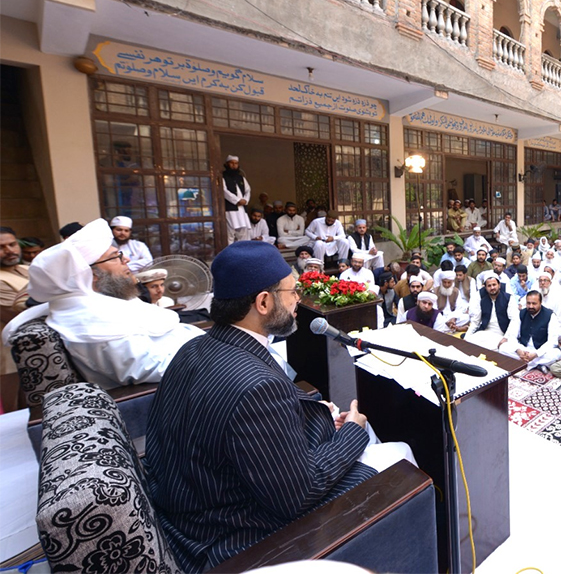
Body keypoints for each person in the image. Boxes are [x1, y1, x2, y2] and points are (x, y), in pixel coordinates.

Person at [145, 240, 412, 572]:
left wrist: (314, 418)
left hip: (189, 509)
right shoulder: (258, 386)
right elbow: (298, 495)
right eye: (292, 291)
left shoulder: (194, 348)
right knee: (398, 457)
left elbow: (240, 436)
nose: (298, 299)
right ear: (263, 302)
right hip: (225, 539)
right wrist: (352, 433)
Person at [1, 219, 203, 389]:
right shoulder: (89, 322)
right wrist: (219, 354)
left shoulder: (101, 304)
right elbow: (153, 369)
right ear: (89, 274)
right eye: (116, 258)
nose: (127, 261)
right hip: (189, 389)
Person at [498, 290, 557, 370]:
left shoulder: (550, 315)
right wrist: (519, 351)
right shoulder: (521, 313)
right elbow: (512, 336)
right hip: (523, 348)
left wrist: (536, 354)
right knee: (503, 347)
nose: (531, 306)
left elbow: (552, 341)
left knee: (555, 354)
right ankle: (537, 364)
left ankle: (524, 363)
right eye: (528, 303)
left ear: (540, 302)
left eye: (534, 303)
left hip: (540, 350)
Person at [466, 272, 517, 350]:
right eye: (489, 286)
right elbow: (475, 321)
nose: (492, 287)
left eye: (494, 285)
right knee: (469, 343)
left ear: (499, 285)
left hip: (502, 334)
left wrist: (506, 338)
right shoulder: (482, 300)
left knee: (502, 349)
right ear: (485, 287)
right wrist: (467, 337)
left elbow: (514, 320)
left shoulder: (508, 298)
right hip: (484, 332)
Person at [0, 226, 30, 326]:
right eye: (1, 247)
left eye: (12, 244)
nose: (10, 251)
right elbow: (23, 315)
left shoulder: (28, 268)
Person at [222, 155, 252, 244]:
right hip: (230, 209)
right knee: (230, 233)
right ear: (227, 164)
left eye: (236, 163)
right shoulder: (222, 177)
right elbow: (223, 190)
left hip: (242, 209)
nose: (234, 165)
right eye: (232, 163)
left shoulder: (241, 178)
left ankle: (244, 253)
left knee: (243, 233)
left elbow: (248, 190)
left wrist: (245, 200)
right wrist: (236, 200)